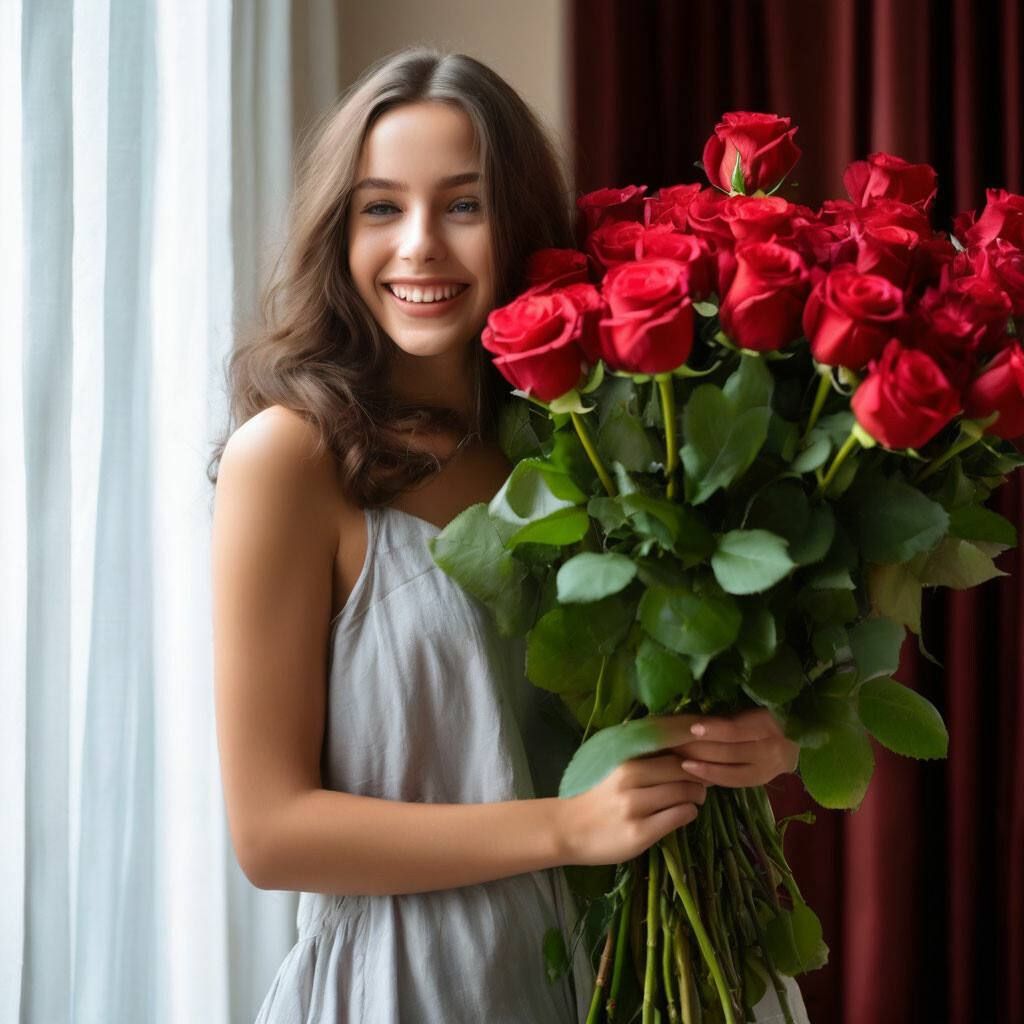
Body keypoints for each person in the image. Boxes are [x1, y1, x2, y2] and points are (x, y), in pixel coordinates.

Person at [209, 45, 806, 1024]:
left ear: (519, 220)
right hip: (422, 987)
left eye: (462, 205)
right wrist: (565, 830)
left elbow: (672, 689)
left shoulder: (615, 430)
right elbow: (272, 833)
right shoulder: (287, 461)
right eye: (380, 207)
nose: (418, 247)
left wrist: (754, 746)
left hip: (658, 966)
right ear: (338, 228)